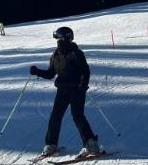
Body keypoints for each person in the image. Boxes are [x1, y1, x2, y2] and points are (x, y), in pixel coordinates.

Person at [29, 26, 100, 157]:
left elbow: (85, 71)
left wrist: (83, 85)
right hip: (62, 90)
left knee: (77, 116)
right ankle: (51, 145)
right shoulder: (55, 55)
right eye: (57, 40)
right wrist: (37, 72)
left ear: (67, 38)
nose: (58, 42)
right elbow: (51, 73)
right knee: (55, 116)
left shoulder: (76, 53)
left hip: (76, 89)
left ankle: (91, 144)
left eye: (60, 39)